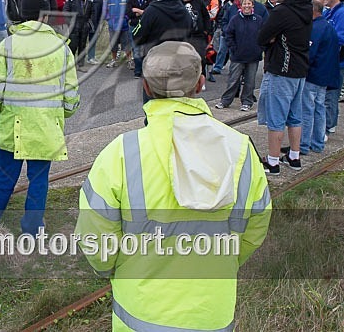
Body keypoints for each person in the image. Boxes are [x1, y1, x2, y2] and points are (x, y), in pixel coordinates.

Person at [76, 40, 271, 331]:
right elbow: (255, 227)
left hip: (139, 314)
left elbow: (96, 236)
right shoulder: (240, 150)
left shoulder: (122, 153)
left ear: (146, 87)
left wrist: (115, 270)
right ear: (200, 84)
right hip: (211, 314)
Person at [0, 0, 79, 234]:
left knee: (3, 175)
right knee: (39, 179)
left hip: (13, 126)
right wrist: (61, 116)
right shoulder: (61, 48)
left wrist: (3, 109)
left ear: (21, 15)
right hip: (46, 127)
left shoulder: (8, 45)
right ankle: (33, 227)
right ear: (44, 15)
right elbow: (71, 96)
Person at [257, 0, 312, 174]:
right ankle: (294, 156)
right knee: (295, 116)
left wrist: (273, 38)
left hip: (282, 70)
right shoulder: (307, 8)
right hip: (300, 70)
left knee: (276, 118)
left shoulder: (282, 11)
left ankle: (273, 162)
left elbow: (262, 37)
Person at [296, 0, 339, 155]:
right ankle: (318, 142)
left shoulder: (315, 28)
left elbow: (310, 52)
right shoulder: (328, 26)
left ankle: (303, 144)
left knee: (307, 109)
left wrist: (301, 68)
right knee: (319, 108)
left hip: (313, 74)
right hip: (325, 75)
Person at [216, 0, 263, 111]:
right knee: (233, 80)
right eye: (244, 4)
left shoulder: (258, 19)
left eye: (249, 3)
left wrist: (259, 48)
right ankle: (225, 100)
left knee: (250, 81)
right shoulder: (235, 19)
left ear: (252, 5)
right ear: (241, 6)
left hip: (253, 56)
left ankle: (247, 102)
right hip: (238, 55)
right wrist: (233, 48)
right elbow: (229, 34)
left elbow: (263, 35)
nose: (247, 6)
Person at [321, 0, 344, 134]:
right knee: (324, 95)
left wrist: (321, 41)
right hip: (326, 61)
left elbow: (341, 38)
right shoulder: (328, 12)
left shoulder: (343, 13)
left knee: (331, 95)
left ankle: (328, 126)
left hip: (337, 62)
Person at [180, 0, 214, 81]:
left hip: (198, 35)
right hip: (183, 36)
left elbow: (206, 17)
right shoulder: (178, 3)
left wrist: (206, 31)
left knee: (200, 58)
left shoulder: (199, 2)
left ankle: (201, 78)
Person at [64, 0, 94, 71]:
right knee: (72, 46)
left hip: (84, 26)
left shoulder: (89, 0)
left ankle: (81, 65)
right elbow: (65, 12)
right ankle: (70, 65)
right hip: (74, 26)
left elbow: (92, 13)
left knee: (83, 46)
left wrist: (89, 24)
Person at [104, 0, 133, 69]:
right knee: (113, 44)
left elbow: (130, 9)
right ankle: (114, 60)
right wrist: (109, 19)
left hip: (124, 25)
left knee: (127, 44)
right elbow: (105, 10)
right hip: (112, 26)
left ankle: (129, 61)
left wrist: (126, 18)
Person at [126, 0, 152, 78]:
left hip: (146, 27)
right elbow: (128, 13)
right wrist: (143, 12)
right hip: (134, 26)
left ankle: (146, 70)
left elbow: (150, 12)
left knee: (146, 48)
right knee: (136, 48)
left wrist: (137, 10)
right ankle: (137, 71)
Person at [86, 0, 104, 65]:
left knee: (93, 41)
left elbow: (101, 13)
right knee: (82, 41)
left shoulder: (100, 0)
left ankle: (91, 57)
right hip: (85, 24)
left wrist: (100, 23)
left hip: (95, 24)